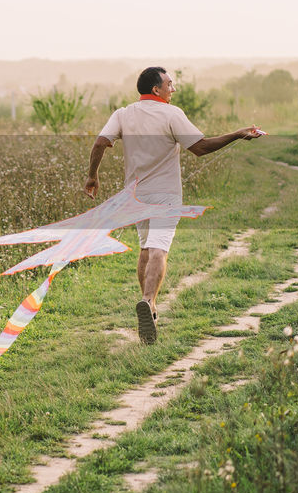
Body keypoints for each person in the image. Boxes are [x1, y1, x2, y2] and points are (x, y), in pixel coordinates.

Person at [84, 67, 262, 344]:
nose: (173, 89)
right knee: (159, 248)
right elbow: (200, 147)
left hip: (135, 196)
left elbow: (99, 143)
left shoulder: (122, 114)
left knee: (145, 248)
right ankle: (148, 301)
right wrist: (237, 134)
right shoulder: (171, 113)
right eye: (169, 84)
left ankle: (149, 309)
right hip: (166, 196)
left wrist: (92, 176)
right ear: (156, 90)